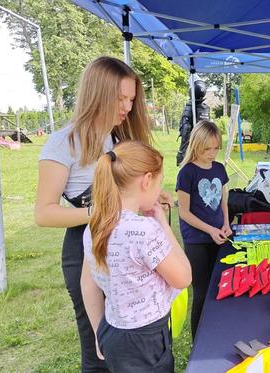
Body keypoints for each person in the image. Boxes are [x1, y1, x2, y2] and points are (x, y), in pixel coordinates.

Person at [34, 56, 171, 372]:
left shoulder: (120, 139)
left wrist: (148, 196)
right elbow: (44, 213)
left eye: (131, 99)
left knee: (139, 338)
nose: (126, 107)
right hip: (87, 250)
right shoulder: (62, 144)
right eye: (119, 98)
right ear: (97, 93)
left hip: (132, 251)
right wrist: (103, 209)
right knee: (99, 346)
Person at [81, 141, 192, 372]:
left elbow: (88, 283)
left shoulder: (94, 227)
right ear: (146, 180)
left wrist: (98, 330)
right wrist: (164, 224)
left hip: (112, 331)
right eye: (159, 182)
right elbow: (183, 277)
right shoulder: (145, 231)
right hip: (146, 338)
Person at [176, 120, 231, 340]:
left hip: (220, 235)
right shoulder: (187, 173)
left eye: (216, 148)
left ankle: (217, 331)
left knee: (220, 286)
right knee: (201, 291)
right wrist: (210, 229)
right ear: (196, 145)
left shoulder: (219, 168)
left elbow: (223, 200)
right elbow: (184, 212)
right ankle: (198, 340)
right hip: (197, 240)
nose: (212, 153)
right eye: (207, 148)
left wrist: (226, 222)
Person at [176, 77, 210, 166]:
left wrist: (181, 153)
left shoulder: (189, 109)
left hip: (192, 150)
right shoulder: (205, 108)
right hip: (205, 148)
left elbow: (185, 132)